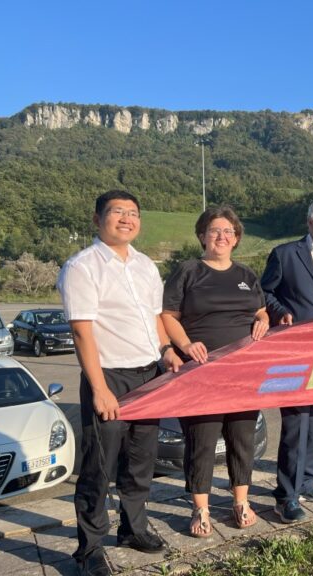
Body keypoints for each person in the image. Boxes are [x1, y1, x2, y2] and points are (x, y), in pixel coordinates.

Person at [57, 190, 183, 576]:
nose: (126, 219)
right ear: (97, 220)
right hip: (110, 378)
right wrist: (99, 388)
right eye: (117, 212)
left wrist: (166, 349)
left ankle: (133, 529)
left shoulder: (146, 266)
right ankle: (90, 550)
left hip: (150, 375)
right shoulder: (82, 267)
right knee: (98, 466)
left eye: (133, 213)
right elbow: (82, 333)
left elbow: (154, 319)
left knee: (141, 462)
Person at [161, 206, 269, 537]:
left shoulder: (246, 275)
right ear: (202, 236)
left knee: (242, 439)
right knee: (202, 440)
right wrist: (186, 344)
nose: (221, 237)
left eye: (228, 232)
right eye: (214, 231)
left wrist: (263, 321)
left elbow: (262, 311)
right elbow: (167, 316)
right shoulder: (188, 271)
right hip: (201, 372)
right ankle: (201, 508)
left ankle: (241, 502)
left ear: (236, 239)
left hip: (242, 373)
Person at [260, 197, 313, 523]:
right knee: (296, 423)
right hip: (293, 352)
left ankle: (308, 480)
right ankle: (286, 496)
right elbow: (264, 293)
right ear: (310, 221)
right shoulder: (285, 254)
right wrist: (280, 311)